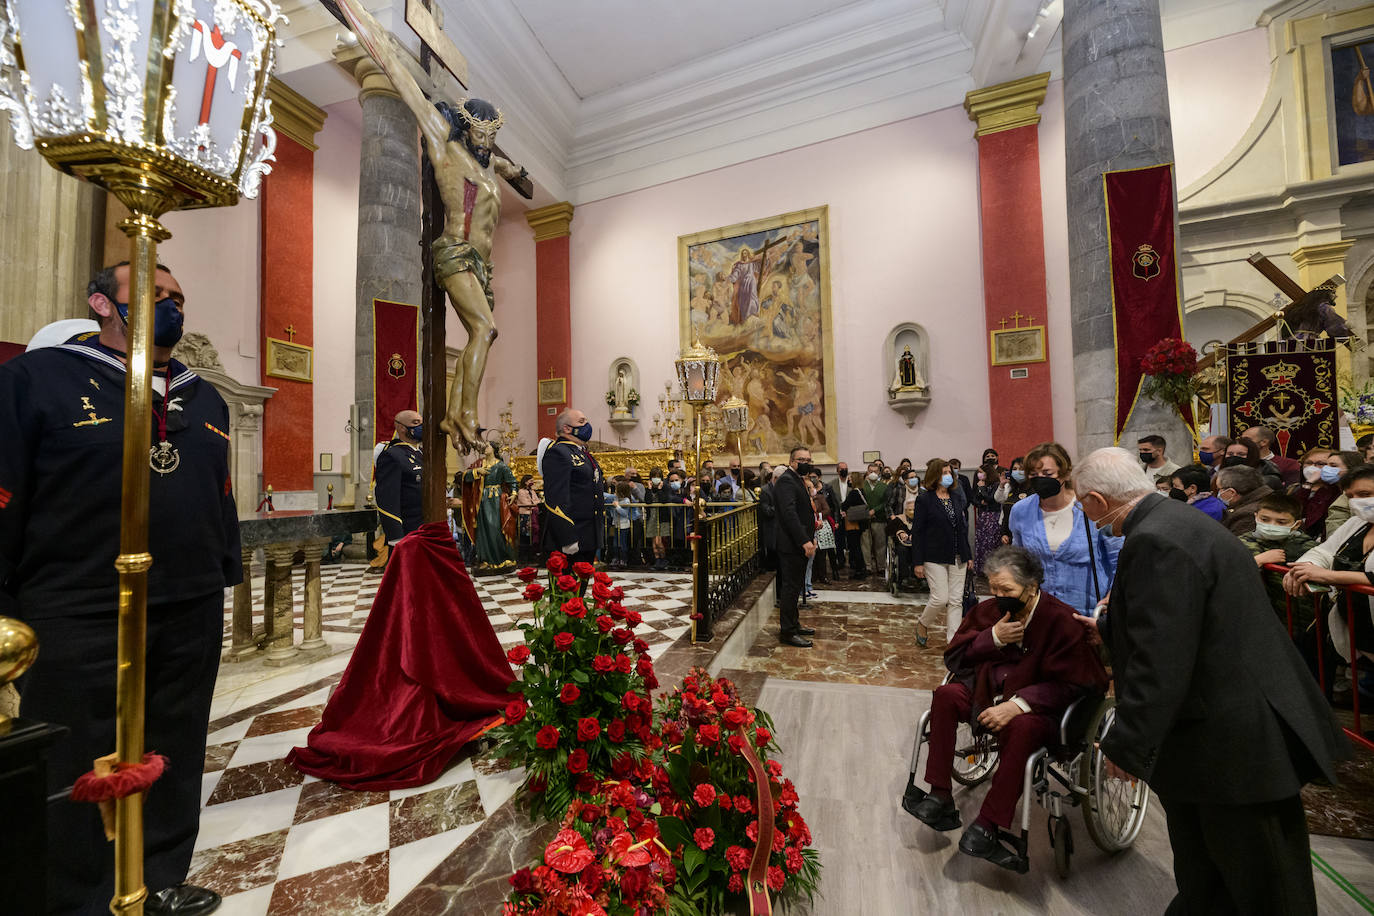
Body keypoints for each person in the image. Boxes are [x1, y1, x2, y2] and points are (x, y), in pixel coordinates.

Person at [3, 261, 240, 915]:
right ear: (101, 303)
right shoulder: (37, 381)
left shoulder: (206, 397)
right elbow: (8, 493)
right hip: (78, 599)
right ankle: (79, 895)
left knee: (175, 742)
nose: (172, 307)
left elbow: (220, 497)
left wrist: (226, 572)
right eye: (156, 295)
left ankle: (160, 871)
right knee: (81, 751)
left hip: (189, 598)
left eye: (179, 299)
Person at [1072, 447, 1347, 916]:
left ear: (1097, 498)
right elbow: (1188, 623)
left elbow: (1163, 656)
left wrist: (1128, 743)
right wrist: (1109, 623)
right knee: (1209, 875)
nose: (1083, 512)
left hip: (1231, 744)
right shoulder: (1178, 522)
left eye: (1082, 502)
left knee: (1263, 886)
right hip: (1225, 732)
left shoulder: (1154, 539)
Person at [907, 546, 1109, 868]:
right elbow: (955, 656)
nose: (999, 596)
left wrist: (1020, 705)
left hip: (1038, 707)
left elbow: (1077, 684)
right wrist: (993, 637)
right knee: (945, 697)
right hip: (987, 690)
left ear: (1031, 588)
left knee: (1022, 728)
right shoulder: (988, 612)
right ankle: (940, 793)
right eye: (994, 588)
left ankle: (988, 823)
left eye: (1007, 590)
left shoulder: (1060, 619)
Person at [1285, 463, 1374, 692]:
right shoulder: (1357, 523)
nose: (1357, 502)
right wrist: (1306, 567)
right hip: (1357, 627)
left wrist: (1328, 576)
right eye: (1351, 496)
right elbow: (1325, 551)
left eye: (1365, 494)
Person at [1008, 443, 1120, 618]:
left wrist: (1112, 596)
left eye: (1047, 474)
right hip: (1040, 612)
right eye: (1033, 474)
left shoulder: (1091, 507)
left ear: (1066, 474)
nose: (1040, 479)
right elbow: (1018, 561)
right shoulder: (1020, 511)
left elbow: (1118, 558)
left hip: (1087, 612)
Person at [913, 459, 974, 647]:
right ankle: (923, 623)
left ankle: (953, 641)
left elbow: (962, 528)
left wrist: (968, 554)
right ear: (934, 475)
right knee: (941, 598)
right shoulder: (924, 499)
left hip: (958, 553)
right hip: (934, 555)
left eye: (949, 472)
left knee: (956, 600)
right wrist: (917, 561)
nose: (948, 476)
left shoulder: (956, 497)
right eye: (944, 472)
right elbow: (918, 531)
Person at [1240, 493, 1318, 639]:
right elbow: (1233, 575)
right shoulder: (1243, 544)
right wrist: (1258, 561)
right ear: (1256, 516)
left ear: (1296, 524)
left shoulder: (1308, 546)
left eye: (1281, 522)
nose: (1271, 526)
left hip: (1306, 620)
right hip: (1266, 622)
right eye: (1265, 519)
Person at [540, 408, 604, 565]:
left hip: (588, 535)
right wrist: (567, 538)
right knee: (566, 587)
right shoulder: (558, 452)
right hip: (570, 538)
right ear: (567, 428)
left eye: (586, 421)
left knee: (579, 588)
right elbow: (556, 497)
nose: (587, 425)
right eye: (581, 422)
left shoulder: (582, 453)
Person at [774, 446, 818, 647]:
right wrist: (804, 540)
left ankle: (795, 623)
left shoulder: (797, 479)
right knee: (790, 589)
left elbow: (805, 513)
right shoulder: (786, 481)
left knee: (796, 586)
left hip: (799, 543)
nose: (806, 462)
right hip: (792, 545)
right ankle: (788, 632)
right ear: (792, 461)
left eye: (808, 459)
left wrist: (812, 536)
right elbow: (789, 514)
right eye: (802, 459)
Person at [375, 409, 425, 544]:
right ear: (401, 428)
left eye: (422, 422)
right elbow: (387, 500)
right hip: (409, 531)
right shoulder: (392, 455)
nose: (421, 426)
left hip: (428, 528)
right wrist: (396, 538)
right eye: (416, 423)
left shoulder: (423, 454)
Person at [1289, 447, 1338, 538]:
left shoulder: (1336, 490)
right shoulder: (1294, 488)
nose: (1313, 467)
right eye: (1309, 463)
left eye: (1320, 464)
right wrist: (1308, 484)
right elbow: (1294, 510)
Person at [1216, 463, 1272, 536]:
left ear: (1231, 492)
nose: (1217, 493)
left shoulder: (1247, 516)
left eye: (1218, 489)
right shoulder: (1267, 498)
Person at [860, 461, 889, 579]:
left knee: (880, 545)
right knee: (865, 544)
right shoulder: (862, 485)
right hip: (864, 520)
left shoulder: (884, 486)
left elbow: (885, 502)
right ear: (867, 472)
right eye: (870, 471)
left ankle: (881, 567)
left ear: (879, 473)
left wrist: (875, 510)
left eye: (875, 471)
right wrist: (866, 512)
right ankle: (867, 567)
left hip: (879, 519)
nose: (873, 473)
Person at [971, 461, 1001, 573]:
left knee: (991, 543)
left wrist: (983, 490)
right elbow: (976, 499)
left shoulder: (996, 485)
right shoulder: (980, 484)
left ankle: (993, 569)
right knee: (981, 542)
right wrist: (980, 501)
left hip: (993, 517)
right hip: (983, 516)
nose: (979, 475)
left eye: (981, 472)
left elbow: (991, 499)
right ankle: (982, 568)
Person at [1323, 450, 1361, 537]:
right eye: (1326, 465)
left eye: (1333, 466)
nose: (1326, 469)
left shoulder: (1354, 494)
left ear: (1351, 468)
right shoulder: (1328, 491)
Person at [841, 472, 870, 578]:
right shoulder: (862, 491)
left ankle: (860, 570)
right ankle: (861, 568)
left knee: (855, 547)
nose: (849, 481)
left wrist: (842, 506)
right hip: (860, 523)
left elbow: (844, 505)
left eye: (850, 479)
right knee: (858, 546)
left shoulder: (854, 492)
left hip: (854, 523)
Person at [515, 473, 540, 563]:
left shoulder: (532, 491)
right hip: (525, 515)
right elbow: (525, 502)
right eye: (531, 481)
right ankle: (523, 557)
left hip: (533, 514)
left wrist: (534, 504)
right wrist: (534, 504)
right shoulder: (521, 491)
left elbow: (537, 500)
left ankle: (532, 555)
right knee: (525, 536)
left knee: (532, 535)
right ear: (525, 482)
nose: (532, 482)